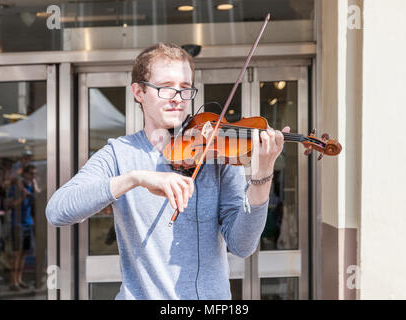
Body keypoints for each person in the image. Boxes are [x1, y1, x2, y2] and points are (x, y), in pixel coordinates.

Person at [46, 42, 290, 299]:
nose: (177, 97)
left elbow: (242, 245)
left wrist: (262, 176)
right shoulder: (119, 154)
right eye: (165, 88)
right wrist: (135, 178)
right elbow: (57, 211)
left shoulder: (215, 154)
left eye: (185, 89)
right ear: (139, 92)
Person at [8, 164, 40, 291]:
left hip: (28, 223)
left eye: (34, 174)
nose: (33, 176)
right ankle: (13, 281)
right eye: (31, 173)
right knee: (16, 254)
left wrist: (34, 184)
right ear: (25, 174)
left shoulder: (31, 186)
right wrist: (22, 196)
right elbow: (10, 205)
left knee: (23, 254)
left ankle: (19, 280)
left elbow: (38, 196)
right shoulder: (15, 188)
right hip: (17, 224)